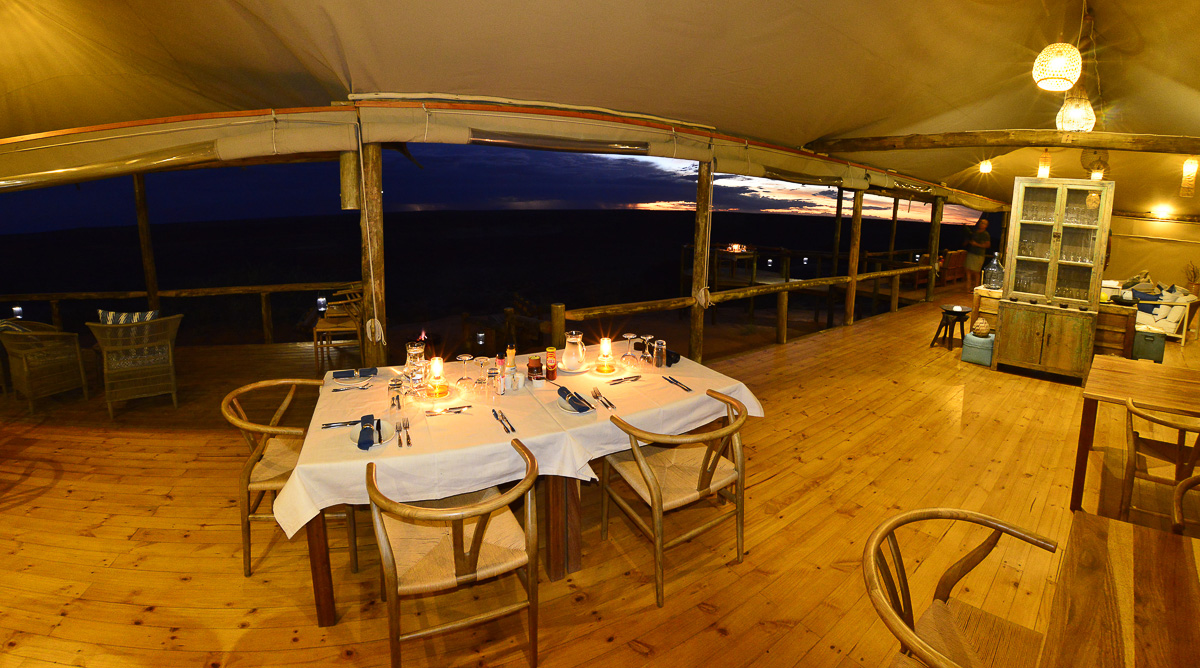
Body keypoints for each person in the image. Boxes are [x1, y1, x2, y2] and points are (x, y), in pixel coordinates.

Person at [964, 216, 991, 289]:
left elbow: (988, 245)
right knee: (968, 270)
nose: (981, 224)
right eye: (981, 222)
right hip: (971, 253)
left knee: (976, 272)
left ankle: (976, 288)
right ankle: (968, 288)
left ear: (986, 226)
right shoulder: (974, 233)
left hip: (979, 255)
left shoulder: (985, 234)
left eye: (983, 223)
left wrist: (976, 244)